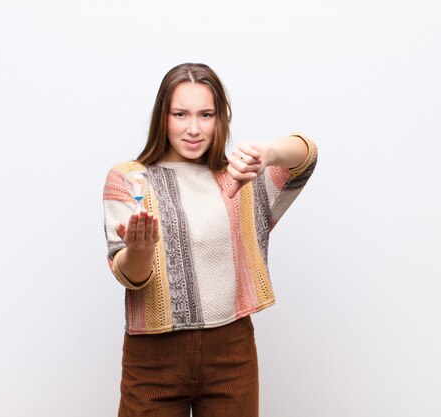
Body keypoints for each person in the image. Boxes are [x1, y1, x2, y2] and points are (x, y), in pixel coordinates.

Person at [102, 63, 317, 417]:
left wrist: (268, 154)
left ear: (221, 118)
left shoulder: (240, 178)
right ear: (162, 117)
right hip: (154, 359)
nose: (193, 128)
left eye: (206, 114)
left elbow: (305, 156)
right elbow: (130, 276)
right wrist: (140, 251)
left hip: (231, 353)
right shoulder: (130, 179)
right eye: (180, 114)